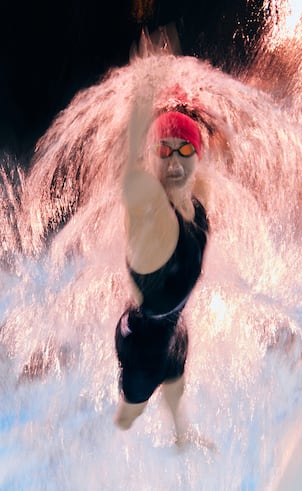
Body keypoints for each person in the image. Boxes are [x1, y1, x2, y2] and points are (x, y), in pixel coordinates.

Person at [114, 92, 209, 444]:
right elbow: (133, 185)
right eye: (163, 150)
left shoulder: (195, 203)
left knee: (176, 385)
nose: (174, 160)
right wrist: (143, 98)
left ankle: (181, 438)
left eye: (185, 149)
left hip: (172, 329)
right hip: (141, 351)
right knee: (126, 419)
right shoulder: (149, 213)